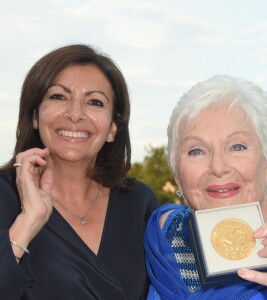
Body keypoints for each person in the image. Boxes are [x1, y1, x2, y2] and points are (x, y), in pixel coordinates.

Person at [0, 44, 159, 299]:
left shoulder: (139, 202)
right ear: (34, 116)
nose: (75, 114)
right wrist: (28, 222)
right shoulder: (4, 196)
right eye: (59, 97)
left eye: (94, 102)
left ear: (112, 128)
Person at [144, 75, 267, 299]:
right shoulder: (162, 235)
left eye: (237, 146)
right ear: (176, 172)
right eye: (196, 151)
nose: (218, 167)